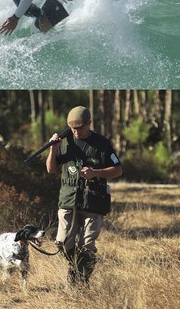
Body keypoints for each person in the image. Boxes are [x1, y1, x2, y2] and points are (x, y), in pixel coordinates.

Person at [45, 106, 123, 286]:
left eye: (80, 127)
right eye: (72, 128)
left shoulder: (102, 144)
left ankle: (81, 281)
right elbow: (50, 169)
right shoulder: (64, 142)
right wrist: (53, 149)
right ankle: (74, 268)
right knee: (63, 242)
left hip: (93, 202)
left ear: (89, 124)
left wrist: (95, 172)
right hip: (68, 200)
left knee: (87, 246)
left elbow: (118, 170)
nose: (76, 131)